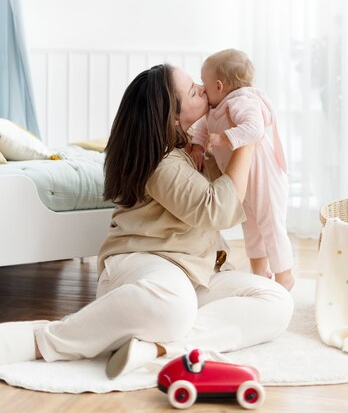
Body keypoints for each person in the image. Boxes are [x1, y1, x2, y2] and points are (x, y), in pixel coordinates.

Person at [0, 64, 293, 379]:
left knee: (276, 300)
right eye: (194, 91)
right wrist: (248, 137)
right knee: (174, 306)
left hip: (192, 273)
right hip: (143, 266)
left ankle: (155, 350)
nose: (204, 90)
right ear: (172, 117)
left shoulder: (194, 150)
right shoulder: (160, 161)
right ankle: (45, 340)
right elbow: (216, 209)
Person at [190, 49, 294, 290]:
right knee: (251, 224)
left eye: (204, 83)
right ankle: (260, 274)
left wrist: (222, 139)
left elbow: (255, 129)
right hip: (242, 176)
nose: (202, 89)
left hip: (264, 173)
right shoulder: (216, 108)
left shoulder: (241, 101)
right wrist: (196, 146)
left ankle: (285, 276)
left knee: (270, 223)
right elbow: (204, 128)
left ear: (219, 85)